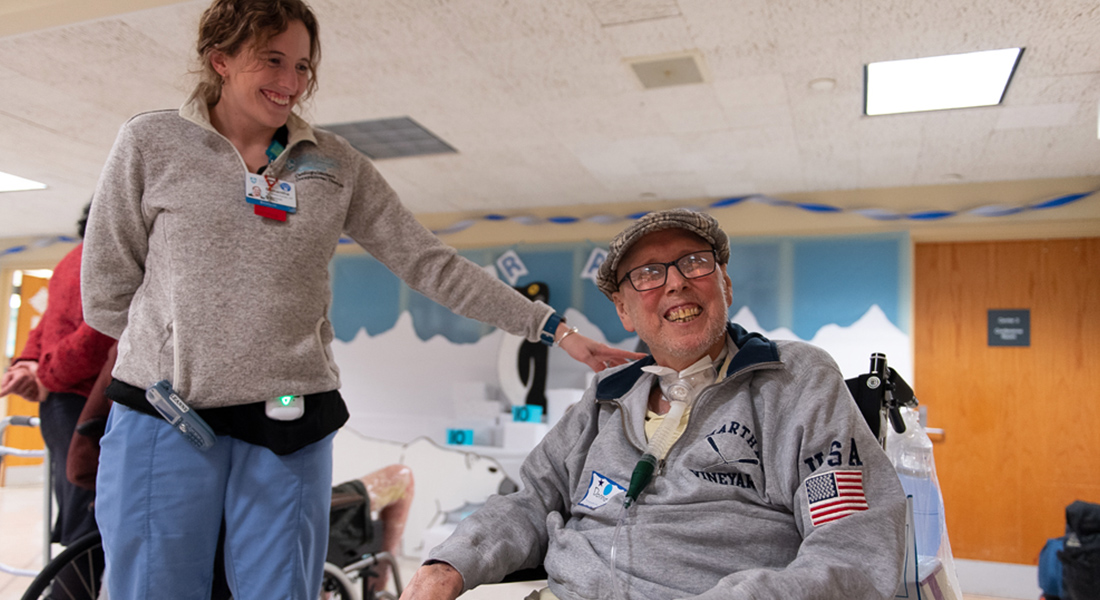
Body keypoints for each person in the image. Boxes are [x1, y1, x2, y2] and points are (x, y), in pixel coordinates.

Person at [80, 1, 641, 598]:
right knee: (152, 589)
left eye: (303, 66)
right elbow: (107, 291)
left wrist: (554, 329)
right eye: (273, 60)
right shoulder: (152, 141)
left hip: (288, 419)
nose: (292, 82)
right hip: (167, 415)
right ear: (220, 60)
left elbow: (427, 262)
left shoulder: (332, 164)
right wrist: (180, 352)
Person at [402, 209, 908, 600]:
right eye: (647, 273)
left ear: (726, 284)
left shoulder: (796, 380)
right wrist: (447, 565)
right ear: (624, 311)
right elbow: (530, 502)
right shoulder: (605, 398)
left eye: (695, 262)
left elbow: (854, 548)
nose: (675, 281)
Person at [0, 203, 113, 547]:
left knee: (77, 505)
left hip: (61, 402)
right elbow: (97, 334)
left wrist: (28, 364)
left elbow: (45, 326)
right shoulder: (103, 261)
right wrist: (42, 374)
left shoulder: (71, 260)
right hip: (81, 400)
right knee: (89, 512)